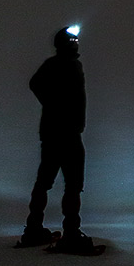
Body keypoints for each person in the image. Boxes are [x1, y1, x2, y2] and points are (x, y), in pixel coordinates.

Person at [18, 25, 98, 254]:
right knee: (71, 184)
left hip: (54, 133)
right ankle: (70, 234)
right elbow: (36, 85)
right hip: (68, 133)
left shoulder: (56, 64)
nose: (76, 44)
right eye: (73, 41)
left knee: (46, 181)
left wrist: (50, 104)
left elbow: (35, 84)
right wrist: (55, 105)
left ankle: (34, 229)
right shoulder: (68, 65)